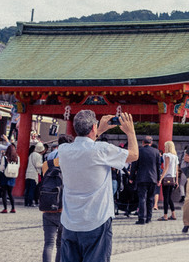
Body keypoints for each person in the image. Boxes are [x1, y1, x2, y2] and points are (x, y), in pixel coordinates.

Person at [59, 110, 138, 262]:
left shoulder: (64, 150)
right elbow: (134, 154)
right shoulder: (102, 149)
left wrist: (98, 129)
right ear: (93, 128)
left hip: (70, 221)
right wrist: (131, 132)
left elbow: (84, 145)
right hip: (96, 219)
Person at [133, 135, 161, 224]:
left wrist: (131, 177)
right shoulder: (156, 152)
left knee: (142, 198)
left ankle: (142, 218)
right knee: (150, 198)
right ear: (151, 143)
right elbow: (158, 166)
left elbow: (134, 165)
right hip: (153, 178)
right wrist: (158, 178)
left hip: (141, 178)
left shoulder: (139, 151)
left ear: (142, 142)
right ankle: (149, 218)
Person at [160, 140, 179, 221]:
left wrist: (161, 178)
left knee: (166, 197)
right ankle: (173, 214)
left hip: (166, 178)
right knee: (169, 197)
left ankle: (165, 215)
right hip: (173, 178)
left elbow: (166, 167)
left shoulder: (166, 155)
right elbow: (177, 170)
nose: (164, 147)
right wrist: (176, 180)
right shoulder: (175, 156)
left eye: (165, 146)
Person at [0, 144, 19, 213]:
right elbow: (18, 166)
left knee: (4, 193)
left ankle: (5, 208)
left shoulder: (4, 158)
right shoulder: (17, 158)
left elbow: (2, 168)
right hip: (12, 177)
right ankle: (13, 208)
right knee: (10, 193)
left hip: (5, 176)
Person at [25, 142, 45, 207]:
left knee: (27, 189)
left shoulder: (31, 154)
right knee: (32, 189)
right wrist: (44, 164)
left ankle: (26, 202)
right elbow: (38, 165)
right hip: (34, 174)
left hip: (28, 173)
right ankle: (30, 202)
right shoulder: (39, 156)